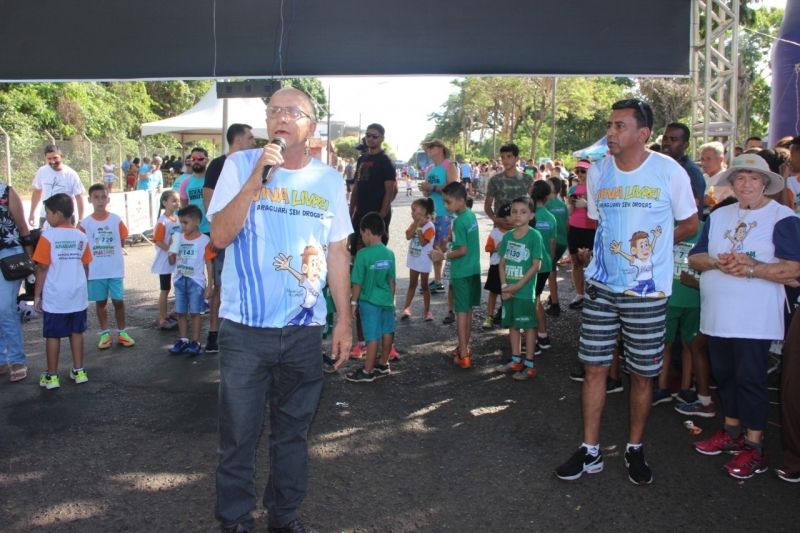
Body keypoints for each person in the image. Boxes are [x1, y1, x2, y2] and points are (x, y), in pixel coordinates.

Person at [207, 87, 352, 533]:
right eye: (273, 111)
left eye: (292, 111)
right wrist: (255, 179)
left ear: (312, 125)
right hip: (245, 331)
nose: (280, 118)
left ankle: (284, 516)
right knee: (239, 435)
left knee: (293, 435)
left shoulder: (328, 179)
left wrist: (344, 319)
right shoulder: (237, 166)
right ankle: (234, 520)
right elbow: (218, 237)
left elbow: (336, 252)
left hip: (304, 331)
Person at [554, 99, 698, 485]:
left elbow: (689, 222)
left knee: (641, 374)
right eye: (610, 125)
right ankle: (591, 451)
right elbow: (602, 225)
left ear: (643, 133)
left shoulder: (669, 171)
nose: (611, 133)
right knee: (595, 368)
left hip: (647, 296)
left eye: (619, 126)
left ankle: (634, 448)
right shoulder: (599, 171)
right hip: (601, 288)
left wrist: (653, 254)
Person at [689, 154, 800, 479]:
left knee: (750, 378)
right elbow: (696, 258)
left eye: (753, 178)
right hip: (718, 313)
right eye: (740, 178)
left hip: (756, 317)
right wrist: (717, 263)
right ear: (732, 183)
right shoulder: (720, 215)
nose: (747, 184)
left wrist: (751, 268)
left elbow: (793, 270)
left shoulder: (783, 216)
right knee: (725, 375)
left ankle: (755, 447)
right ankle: (732, 433)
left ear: (765, 183)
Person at [203, 124, 256, 354]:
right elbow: (209, 201)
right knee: (218, 285)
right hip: (223, 235)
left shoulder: (254, 163)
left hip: (247, 236)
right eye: (250, 137)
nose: (254, 142)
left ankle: (245, 333)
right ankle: (214, 333)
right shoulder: (218, 164)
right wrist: (216, 232)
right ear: (237, 140)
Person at [32, 193, 93, 390]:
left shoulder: (47, 237)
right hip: (77, 292)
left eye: (48, 213)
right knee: (77, 332)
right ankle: (79, 370)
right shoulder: (81, 236)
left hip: (55, 294)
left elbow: (42, 268)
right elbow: (86, 266)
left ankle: (52, 376)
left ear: (58, 214)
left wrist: (37, 295)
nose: (47, 217)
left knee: (53, 334)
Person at [651, 217, 706, 408]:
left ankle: (686, 388)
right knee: (664, 344)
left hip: (695, 299)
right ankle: (662, 387)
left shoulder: (707, 229)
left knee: (690, 345)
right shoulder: (664, 223)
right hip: (667, 297)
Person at [429, 182, 480, 370]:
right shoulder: (471, 215)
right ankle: (464, 347)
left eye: (448, 202)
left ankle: (464, 355)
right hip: (473, 269)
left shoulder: (458, 221)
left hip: (462, 272)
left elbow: (462, 250)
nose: (445, 207)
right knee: (469, 311)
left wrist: (441, 255)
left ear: (460, 200)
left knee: (461, 313)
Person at [493, 195, 545, 380]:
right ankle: (516, 359)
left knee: (529, 327)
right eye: (514, 211)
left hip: (524, 292)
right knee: (513, 325)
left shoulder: (534, 236)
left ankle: (529, 364)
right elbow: (501, 264)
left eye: (523, 212)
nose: (518, 215)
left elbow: (536, 265)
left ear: (531, 215)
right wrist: (505, 287)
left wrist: (518, 286)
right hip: (509, 291)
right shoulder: (507, 237)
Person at [79, 184, 134, 349]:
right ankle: (105, 333)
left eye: (103, 197)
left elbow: (122, 239)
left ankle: (122, 332)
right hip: (96, 270)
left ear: (108, 199)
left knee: (118, 301)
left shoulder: (115, 219)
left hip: (115, 269)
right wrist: (86, 266)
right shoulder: (85, 223)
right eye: (96, 197)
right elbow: (81, 246)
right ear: (90, 200)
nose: (100, 201)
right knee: (100, 302)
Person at [346, 212, 396, 383]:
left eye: (361, 234)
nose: (362, 238)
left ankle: (368, 372)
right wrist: (392, 300)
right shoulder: (389, 253)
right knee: (387, 331)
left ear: (367, 231)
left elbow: (357, 283)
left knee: (372, 336)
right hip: (386, 300)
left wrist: (353, 303)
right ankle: (383, 363)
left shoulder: (363, 255)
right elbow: (392, 281)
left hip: (369, 302)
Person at [167, 204, 215, 356]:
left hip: (196, 282)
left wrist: (210, 285)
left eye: (185, 222)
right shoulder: (178, 238)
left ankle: (195, 341)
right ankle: (183, 340)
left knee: (195, 312)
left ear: (197, 222)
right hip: (180, 280)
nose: (182, 226)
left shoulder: (204, 240)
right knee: (181, 312)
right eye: (180, 222)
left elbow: (209, 262)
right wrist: (170, 250)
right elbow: (171, 262)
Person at [0, 180, 34, 383]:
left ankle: (18, 359)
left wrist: (30, 261)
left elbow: (23, 227)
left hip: (9, 256)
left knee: (5, 308)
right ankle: (1, 359)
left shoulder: (5, 191)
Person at [418, 139, 459, 294]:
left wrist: (433, 187)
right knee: (434, 247)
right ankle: (438, 280)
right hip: (432, 216)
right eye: (427, 147)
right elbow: (426, 191)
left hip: (446, 214)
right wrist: (426, 190)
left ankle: (445, 280)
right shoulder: (429, 168)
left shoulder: (449, 166)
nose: (428, 149)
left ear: (441, 148)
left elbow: (455, 188)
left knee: (444, 247)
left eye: (431, 146)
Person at [29, 144, 86, 228]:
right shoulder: (42, 171)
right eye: (49, 159)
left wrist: (81, 220)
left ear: (62, 156)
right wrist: (32, 213)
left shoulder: (71, 174)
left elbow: (79, 197)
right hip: (46, 216)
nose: (52, 161)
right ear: (45, 158)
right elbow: (37, 192)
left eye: (55, 158)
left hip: (66, 218)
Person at [565, 159, 596, 309]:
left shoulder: (596, 188)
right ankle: (579, 294)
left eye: (583, 171)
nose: (580, 174)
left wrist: (587, 204)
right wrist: (570, 204)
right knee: (576, 261)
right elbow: (568, 212)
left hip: (591, 229)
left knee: (590, 261)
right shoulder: (573, 189)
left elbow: (599, 211)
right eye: (577, 171)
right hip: (575, 228)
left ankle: (594, 294)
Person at [531, 180, 557, 351]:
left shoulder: (530, 216)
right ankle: (543, 335)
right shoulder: (550, 217)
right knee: (536, 299)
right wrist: (550, 262)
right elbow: (553, 243)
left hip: (531, 265)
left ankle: (534, 340)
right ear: (547, 197)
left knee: (532, 301)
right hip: (546, 263)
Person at [401, 198, 436, 321]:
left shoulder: (430, 226)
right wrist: (415, 225)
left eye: (414, 210)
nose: (412, 213)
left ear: (423, 211)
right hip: (414, 259)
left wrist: (419, 228)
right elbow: (408, 236)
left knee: (424, 285)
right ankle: (406, 308)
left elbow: (422, 242)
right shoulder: (413, 223)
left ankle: (427, 311)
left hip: (424, 260)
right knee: (412, 284)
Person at [484, 143, 534, 229]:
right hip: (501, 228)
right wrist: (495, 219)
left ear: (517, 158)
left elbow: (534, 202)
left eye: (509, 156)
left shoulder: (527, 179)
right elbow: (487, 205)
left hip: (520, 228)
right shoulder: (495, 180)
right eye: (503, 157)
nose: (505, 160)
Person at [151, 189, 181, 330]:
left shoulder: (178, 219)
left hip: (177, 260)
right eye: (173, 201)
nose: (177, 203)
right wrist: (170, 251)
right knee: (165, 289)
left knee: (178, 285)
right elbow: (157, 241)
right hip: (165, 261)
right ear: (164, 203)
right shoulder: (162, 222)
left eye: (178, 201)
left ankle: (175, 311)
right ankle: (163, 318)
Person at [660, 122, 706, 207]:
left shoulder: (691, 171)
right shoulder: (659, 167)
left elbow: (693, 210)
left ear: (685, 145)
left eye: (673, 139)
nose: (667, 143)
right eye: (665, 139)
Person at [482, 203, 511, 329]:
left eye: (509, 217)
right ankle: (489, 316)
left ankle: (506, 316)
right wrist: (496, 248)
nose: (506, 221)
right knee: (493, 292)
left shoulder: (516, 233)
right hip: (495, 266)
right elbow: (487, 248)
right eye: (503, 218)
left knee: (505, 292)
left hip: (509, 268)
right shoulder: (494, 232)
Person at [544, 176, 568, 316]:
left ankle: (555, 303)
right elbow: (567, 225)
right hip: (562, 242)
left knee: (551, 273)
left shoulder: (546, 205)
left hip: (551, 243)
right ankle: (552, 297)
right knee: (552, 271)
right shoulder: (563, 205)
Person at [699, 141, 731, 216]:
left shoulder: (725, 177)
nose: (704, 163)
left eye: (708, 159)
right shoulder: (704, 177)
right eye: (702, 159)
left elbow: (709, 201)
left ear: (720, 159)